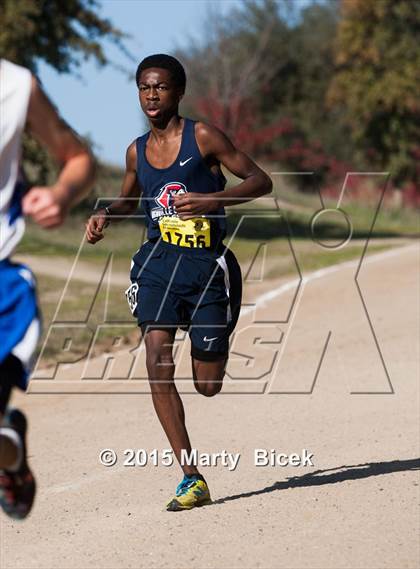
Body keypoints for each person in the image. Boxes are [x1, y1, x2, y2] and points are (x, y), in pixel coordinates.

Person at [86, 53, 272, 511]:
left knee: (208, 385)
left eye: (161, 87)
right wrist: (106, 213)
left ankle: (216, 331)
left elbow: (260, 180)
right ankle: (191, 477)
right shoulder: (135, 150)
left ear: (178, 92)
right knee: (155, 357)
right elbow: (131, 200)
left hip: (207, 266)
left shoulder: (203, 136)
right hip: (157, 262)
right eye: (145, 87)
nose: (152, 95)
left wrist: (213, 199)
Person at [0, 59, 96, 519]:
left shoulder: (16, 86)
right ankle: (8, 448)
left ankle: (6, 449)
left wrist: (59, 195)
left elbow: (78, 159)